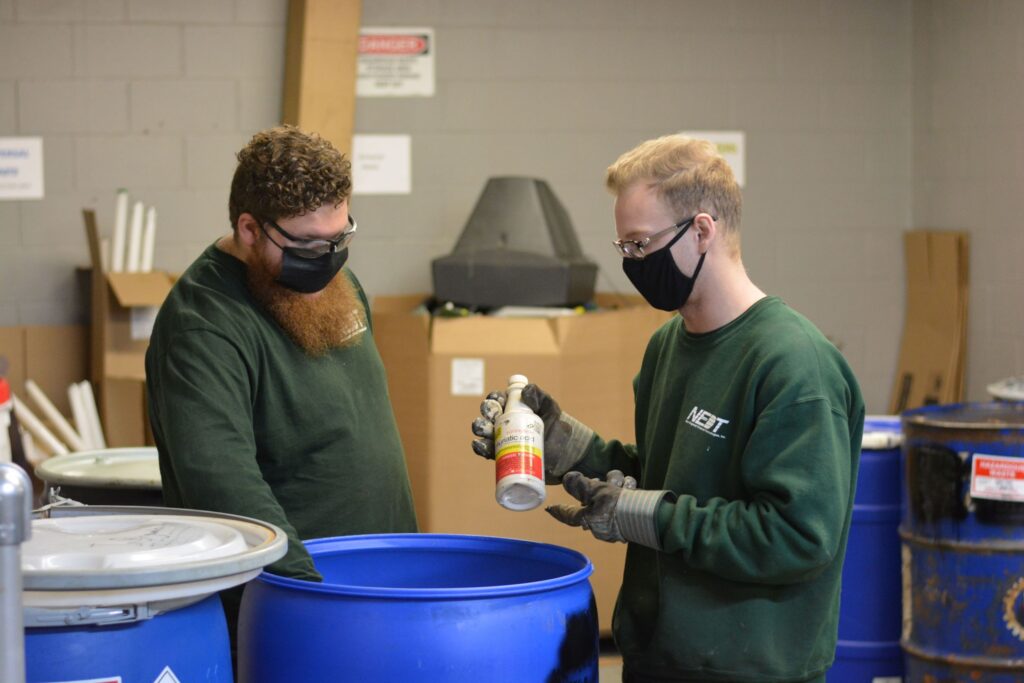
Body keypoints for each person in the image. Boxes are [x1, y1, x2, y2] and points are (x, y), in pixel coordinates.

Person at [472, 134, 864, 683]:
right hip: (657, 654)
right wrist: (563, 444)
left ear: (702, 231)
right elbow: (666, 475)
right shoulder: (667, 346)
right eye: (623, 249)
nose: (632, 263)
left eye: (640, 245)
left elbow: (798, 537)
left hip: (748, 667)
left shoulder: (794, 365)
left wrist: (642, 516)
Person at [146, 125, 418, 658]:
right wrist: (308, 597)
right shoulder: (204, 326)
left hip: (380, 585)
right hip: (297, 607)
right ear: (249, 228)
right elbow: (224, 486)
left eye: (342, 236)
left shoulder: (330, 283)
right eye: (311, 244)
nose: (331, 256)